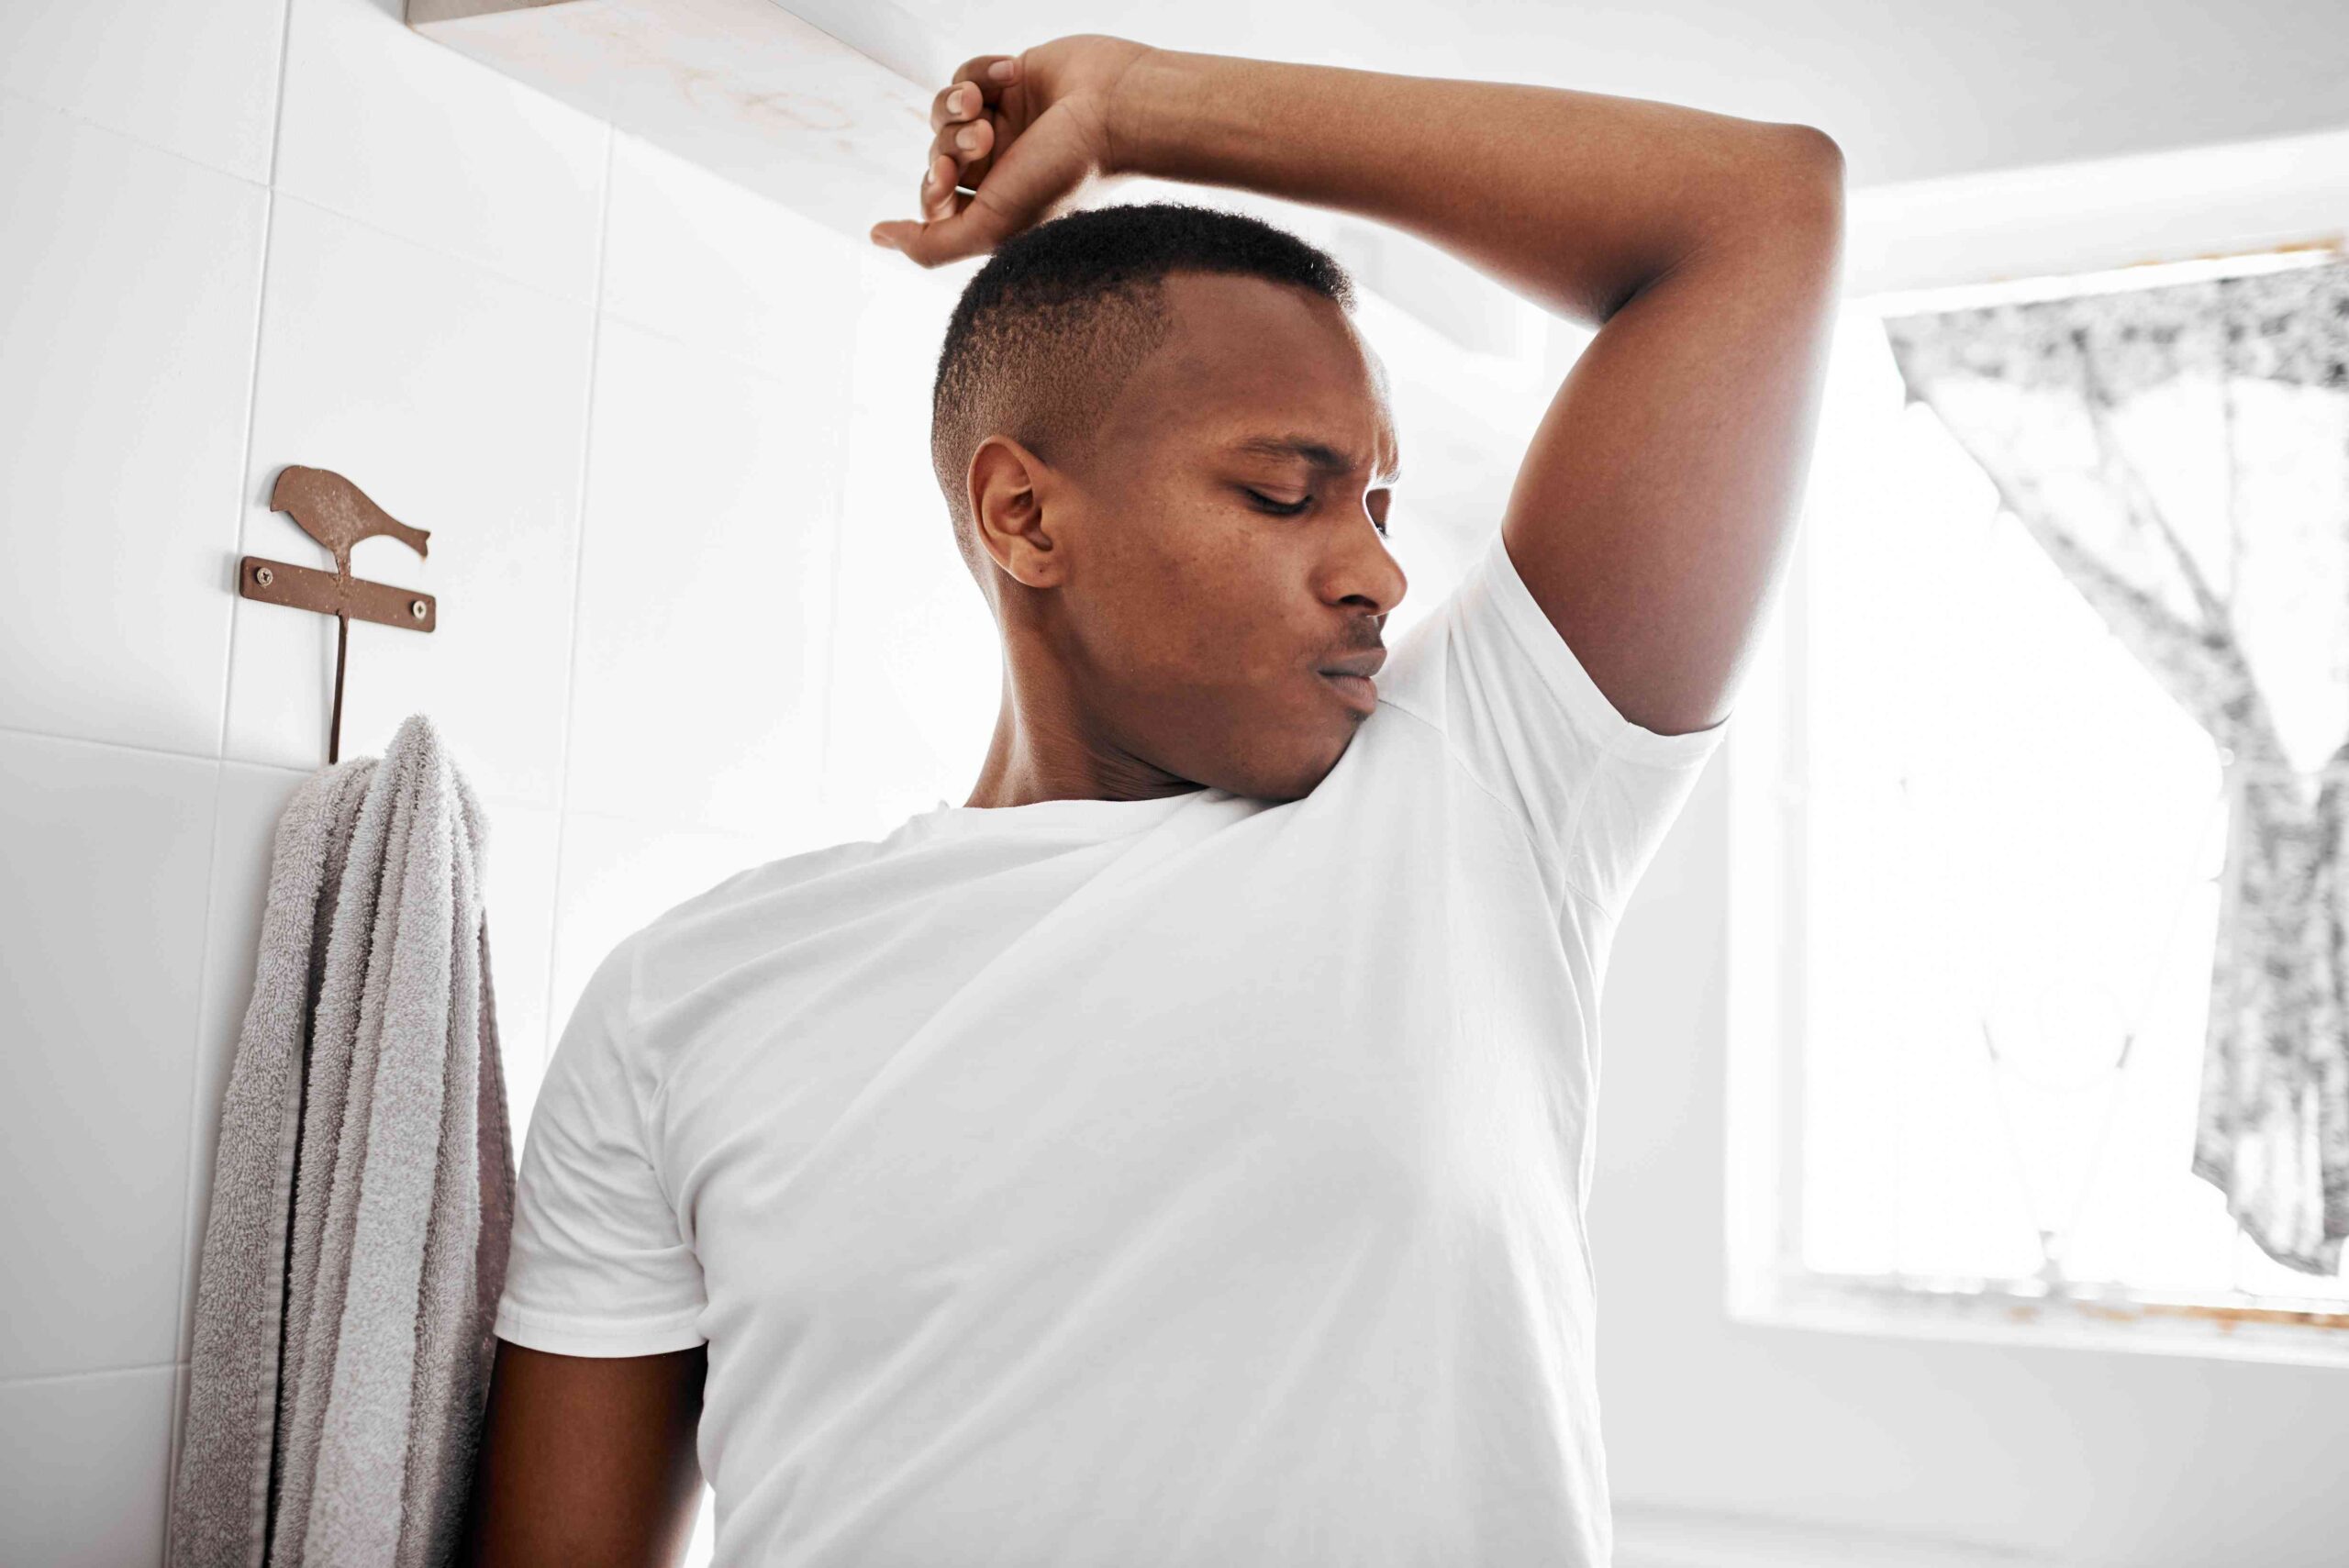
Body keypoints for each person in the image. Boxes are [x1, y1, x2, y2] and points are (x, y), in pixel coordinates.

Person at [456, 32, 1843, 1568]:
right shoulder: (681, 1001)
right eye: (1284, 490)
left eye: (1377, 500)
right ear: (1023, 513)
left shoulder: (1477, 794)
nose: (1379, 568)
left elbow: (1759, 210)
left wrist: (1133, 109)